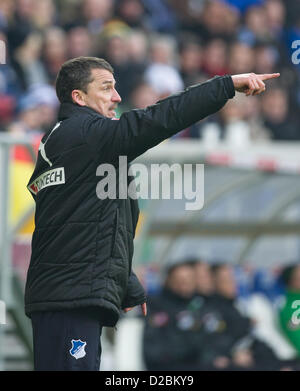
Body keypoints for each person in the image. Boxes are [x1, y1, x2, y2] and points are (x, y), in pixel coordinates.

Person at [24, 55, 279, 371]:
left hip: (69, 294)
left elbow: (83, 224)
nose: (117, 97)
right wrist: (224, 85)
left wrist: (126, 283)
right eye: (106, 88)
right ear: (79, 97)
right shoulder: (87, 133)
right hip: (71, 298)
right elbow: (159, 118)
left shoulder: (67, 142)